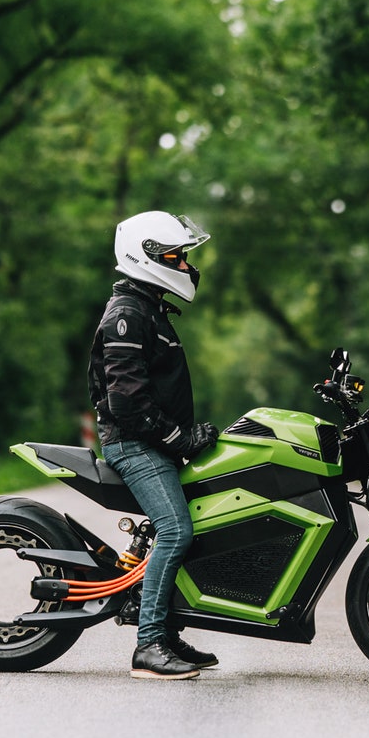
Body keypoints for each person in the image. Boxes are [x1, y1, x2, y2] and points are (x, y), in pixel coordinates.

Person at [88, 211, 220, 680]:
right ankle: (148, 646)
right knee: (176, 530)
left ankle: (167, 632)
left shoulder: (146, 307)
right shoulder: (127, 314)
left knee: (199, 523)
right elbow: (127, 403)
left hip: (149, 441)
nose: (184, 266)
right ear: (145, 258)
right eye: (174, 257)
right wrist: (179, 438)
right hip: (133, 444)